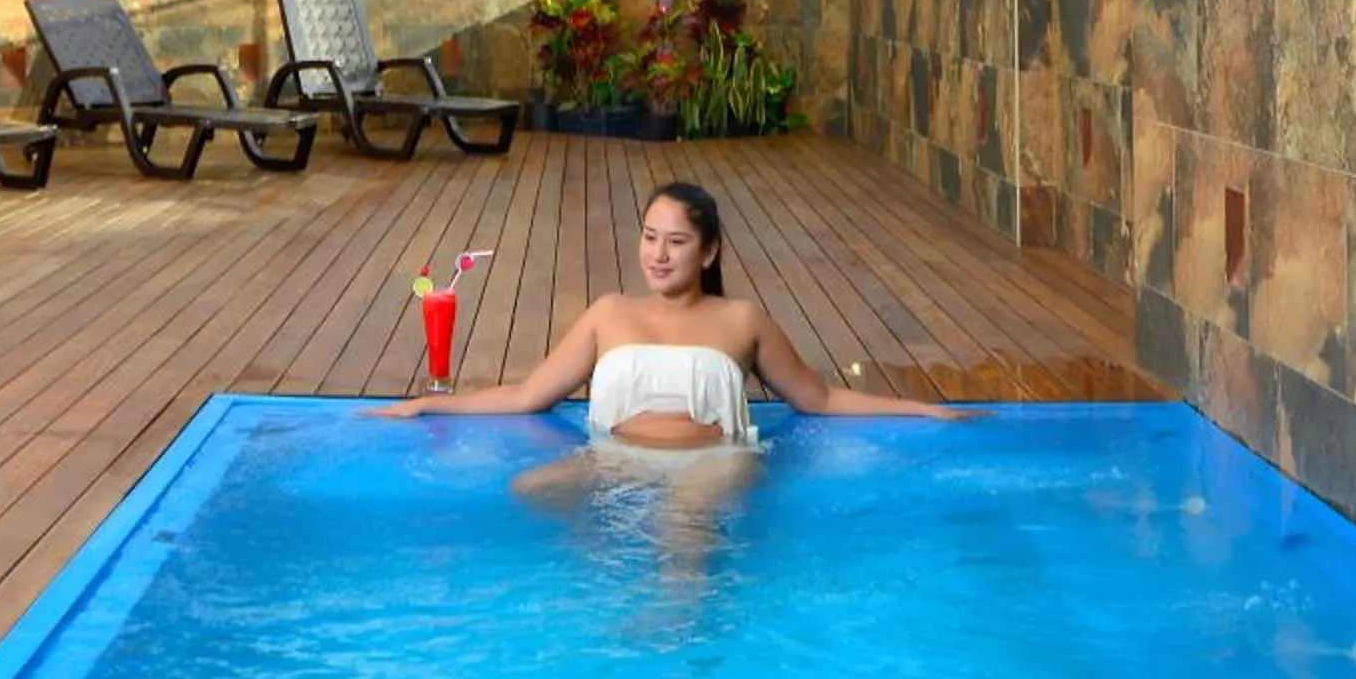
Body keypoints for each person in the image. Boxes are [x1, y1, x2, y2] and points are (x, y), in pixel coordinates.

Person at [367, 179, 962, 446]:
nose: (658, 254)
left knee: (681, 556)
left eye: (675, 242)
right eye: (650, 237)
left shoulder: (742, 320)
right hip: (615, 463)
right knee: (531, 492)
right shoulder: (609, 313)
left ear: (709, 251)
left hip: (711, 472)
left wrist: (922, 411)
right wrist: (427, 404)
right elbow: (527, 396)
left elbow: (821, 400)